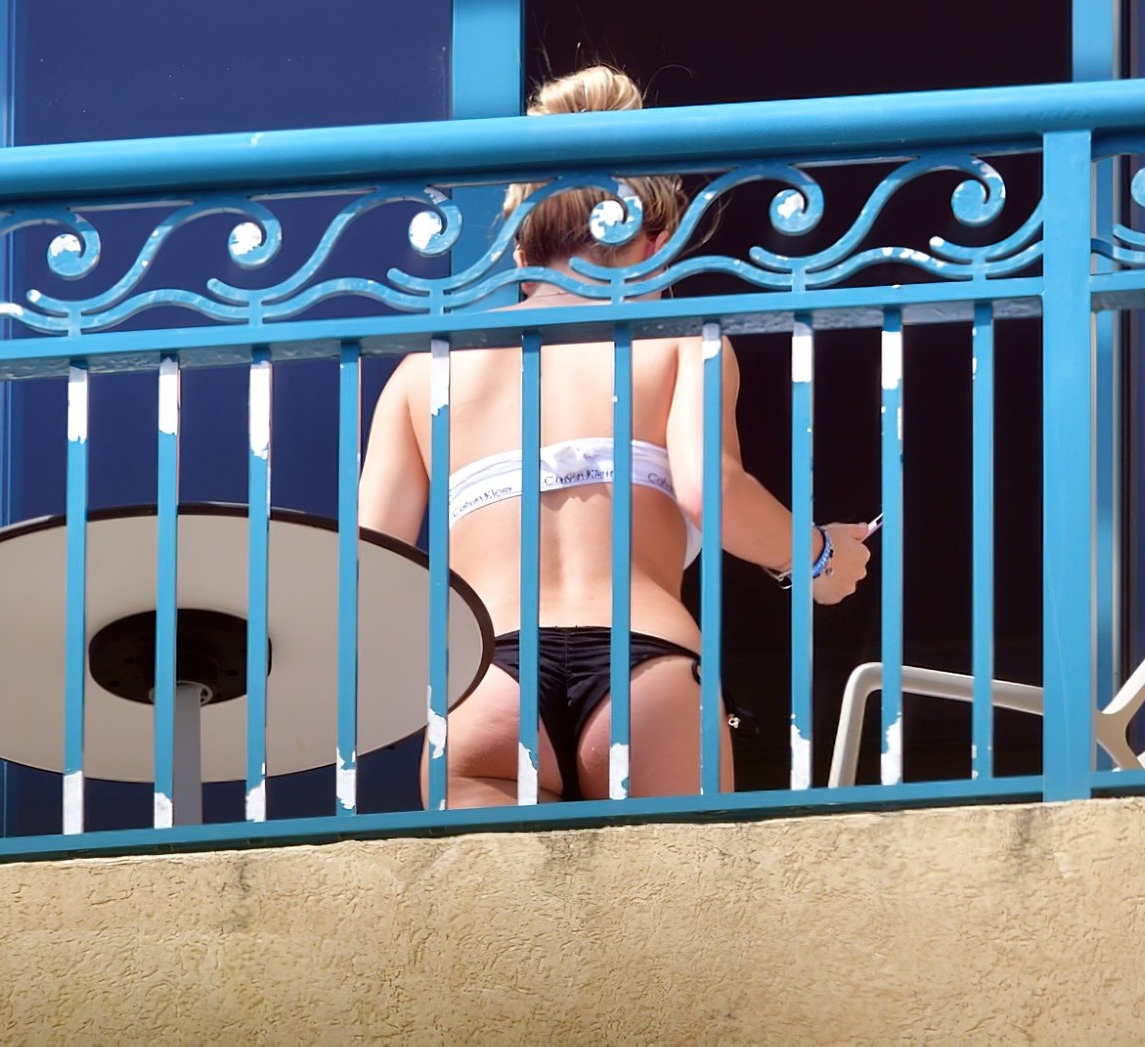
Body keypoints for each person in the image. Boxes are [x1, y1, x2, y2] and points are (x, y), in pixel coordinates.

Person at [358, 65, 871, 807]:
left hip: (485, 677)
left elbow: (370, 568)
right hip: (646, 669)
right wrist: (815, 555)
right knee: (676, 886)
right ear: (655, 244)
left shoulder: (423, 373)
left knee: (490, 890)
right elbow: (712, 492)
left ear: (520, 256)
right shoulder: (678, 342)